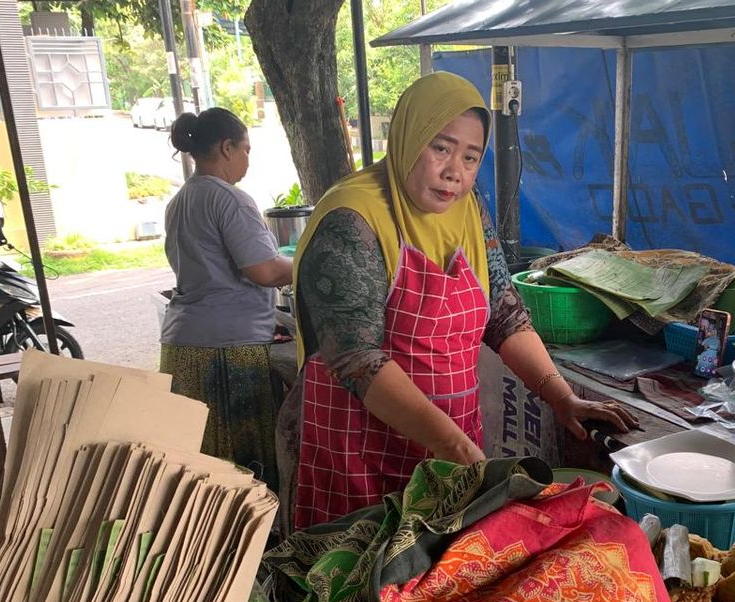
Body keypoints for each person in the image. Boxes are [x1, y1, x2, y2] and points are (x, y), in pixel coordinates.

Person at [284, 72, 635, 529]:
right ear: (409, 138)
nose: (455, 171)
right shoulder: (352, 219)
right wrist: (450, 443)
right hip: (360, 451)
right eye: (441, 148)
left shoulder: (467, 210)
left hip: (450, 442)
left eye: (471, 157)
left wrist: (562, 397)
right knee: (366, 564)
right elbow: (357, 359)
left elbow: (504, 314)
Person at [161, 107, 292, 493]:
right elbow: (264, 270)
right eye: (246, 150)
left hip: (183, 346)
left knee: (199, 465)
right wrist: (309, 262)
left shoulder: (180, 200)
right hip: (227, 352)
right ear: (226, 148)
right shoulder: (230, 199)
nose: (248, 161)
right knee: (242, 470)